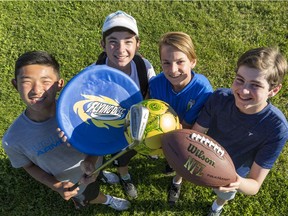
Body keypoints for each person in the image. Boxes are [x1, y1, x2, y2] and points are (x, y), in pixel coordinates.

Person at [2, 51, 131, 211]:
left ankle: (102, 174)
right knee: (91, 195)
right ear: (15, 85)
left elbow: (98, 138)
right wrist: (56, 186)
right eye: (27, 81)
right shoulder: (12, 140)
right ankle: (107, 200)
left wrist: (91, 161)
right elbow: (28, 166)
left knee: (99, 169)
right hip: (74, 182)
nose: (36, 89)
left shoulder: (81, 112)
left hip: (95, 161)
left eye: (45, 81)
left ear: (59, 84)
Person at [191, 47, 288, 216]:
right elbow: (196, 134)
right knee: (185, 172)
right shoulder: (220, 98)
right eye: (240, 80)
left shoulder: (276, 128)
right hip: (204, 155)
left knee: (224, 194)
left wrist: (235, 181)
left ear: (273, 90)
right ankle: (176, 182)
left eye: (255, 85)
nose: (243, 91)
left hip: (233, 172)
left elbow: (254, 185)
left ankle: (216, 208)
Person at [94, 10, 156, 199]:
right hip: (109, 126)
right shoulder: (93, 76)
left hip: (136, 124)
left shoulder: (143, 67)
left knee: (130, 151)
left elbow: (151, 94)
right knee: (117, 152)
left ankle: (126, 167)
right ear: (103, 45)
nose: (121, 49)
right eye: (113, 41)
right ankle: (123, 174)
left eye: (128, 41)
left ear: (137, 44)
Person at [149, 32, 213, 205]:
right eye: (166, 63)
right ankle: (164, 158)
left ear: (193, 62)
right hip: (163, 130)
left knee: (182, 158)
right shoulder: (155, 84)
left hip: (186, 132)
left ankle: (177, 181)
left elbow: (187, 125)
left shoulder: (203, 90)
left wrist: (170, 143)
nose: (173, 70)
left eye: (180, 62)